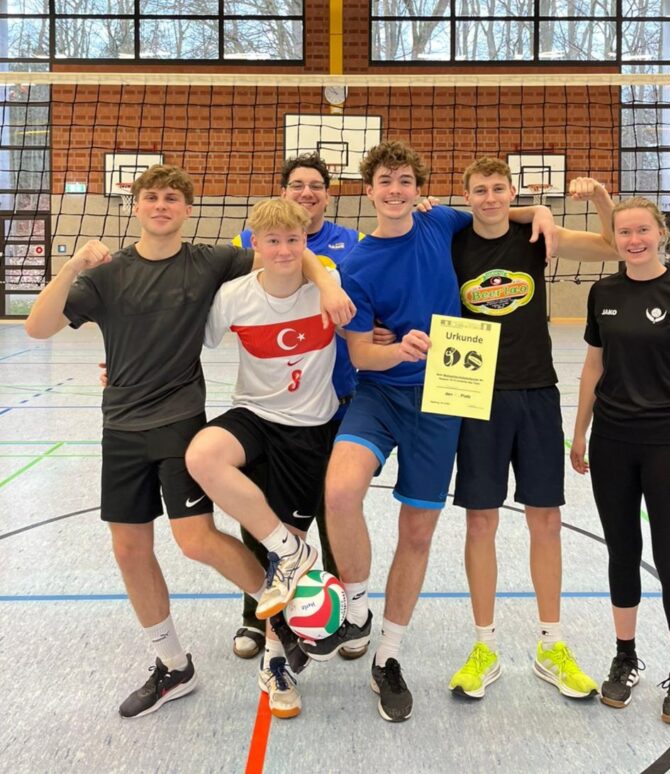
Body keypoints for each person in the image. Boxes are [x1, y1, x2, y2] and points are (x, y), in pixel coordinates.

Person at [23, 164, 352, 719]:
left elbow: (288, 251)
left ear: (187, 208)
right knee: (129, 549)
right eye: (151, 196)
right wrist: (74, 264)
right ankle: (172, 664)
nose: (160, 205)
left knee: (197, 541)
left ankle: (282, 620)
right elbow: (37, 327)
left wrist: (327, 282)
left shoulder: (208, 263)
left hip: (179, 422)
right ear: (135, 205)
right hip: (121, 426)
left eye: (172, 197)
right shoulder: (106, 275)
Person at [298, 140, 557, 723]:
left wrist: (538, 212)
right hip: (382, 393)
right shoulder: (356, 266)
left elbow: (493, 212)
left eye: (405, 181)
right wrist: (400, 353)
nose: (395, 190)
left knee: (418, 532)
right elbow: (362, 355)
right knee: (339, 491)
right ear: (369, 191)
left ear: (419, 190)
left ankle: (387, 656)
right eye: (385, 181)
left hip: (445, 392)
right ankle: (358, 610)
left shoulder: (438, 221)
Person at [445, 159, 619, 702]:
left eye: (500, 189)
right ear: (467, 195)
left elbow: (612, 247)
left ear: (512, 191)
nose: (490, 198)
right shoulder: (451, 238)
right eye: (480, 190)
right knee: (481, 523)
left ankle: (551, 643)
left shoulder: (538, 235)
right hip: (474, 394)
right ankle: (484, 645)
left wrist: (601, 199)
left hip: (538, 393)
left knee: (546, 520)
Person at [229, 152, 393, 662]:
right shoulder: (251, 241)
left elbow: (374, 297)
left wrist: (380, 327)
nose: (306, 192)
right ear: (283, 193)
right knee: (263, 515)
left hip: (340, 397)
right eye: (297, 184)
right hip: (273, 405)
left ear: (329, 193)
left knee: (334, 509)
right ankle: (258, 613)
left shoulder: (355, 243)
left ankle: (338, 614)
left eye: (316, 185)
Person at [185, 197, 341, 719]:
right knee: (204, 455)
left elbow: (367, 330)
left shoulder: (327, 287)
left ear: (305, 244)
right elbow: (189, 343)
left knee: (285, 576)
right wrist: (121, 367)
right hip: (252, 415)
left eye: (293, 240)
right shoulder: (233, 296)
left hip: (308, 431)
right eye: (272, 240)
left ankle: (277, 660)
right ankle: (288, 551)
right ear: (254, 244)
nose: (283, 249)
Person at [570, 196, 670, 725]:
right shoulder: (603, 292)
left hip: (668, 445)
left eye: (642, 230)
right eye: (624, 232)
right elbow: (593, 366)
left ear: (662, 233)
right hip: (612, 441)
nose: (633, 239)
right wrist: (580, 430)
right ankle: (625, 655)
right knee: (622, 552)